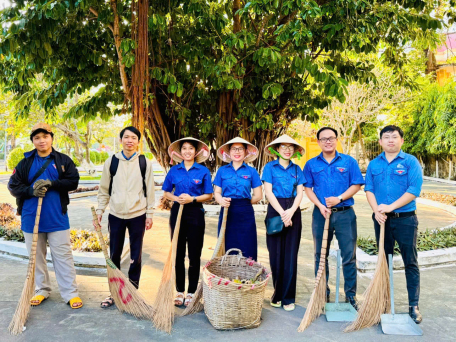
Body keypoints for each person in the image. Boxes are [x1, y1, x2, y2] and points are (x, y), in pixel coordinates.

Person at [8, 123, 82, 309]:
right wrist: (31, 190)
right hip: (31, 217)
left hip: (57, 217)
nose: (41, 141)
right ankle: (42, 290)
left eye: (45, 136)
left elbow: (73, 181)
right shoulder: (25, 163)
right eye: (37, 138)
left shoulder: (63, 160)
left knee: (63, 256)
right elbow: (13, 186)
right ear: (33, 141)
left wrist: (52, 183)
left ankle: (70, 293)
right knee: (36, 257)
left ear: (51, 138)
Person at [365, 125, 423, 324]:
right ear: (380, 142)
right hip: (381, 219)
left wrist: (389, 207)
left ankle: (413, 306)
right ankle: (383, 303)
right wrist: (377, 211)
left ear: (401, 141)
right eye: (386, 137)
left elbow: (414, 190)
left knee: (410, 262)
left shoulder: (410, 162)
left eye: (394, 137)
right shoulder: (374, 164)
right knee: (384, 261)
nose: (391, 140)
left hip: (406, 219)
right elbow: (369, 189)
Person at [303, 127, 364, 310]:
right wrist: (320, 205)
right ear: (319, 142)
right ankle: (323, 293)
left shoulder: (349, 161)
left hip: (345, 213)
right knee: (320, 256)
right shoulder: (311, 164)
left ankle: (351, 296)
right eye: (323, 139)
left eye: (331, 138)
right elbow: (307, 188)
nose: (327, 141)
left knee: (349, 256)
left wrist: (339, 198)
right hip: (321, 215)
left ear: (337, 140)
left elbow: (357, 184)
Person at [95, 126, 155, 308]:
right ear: (121, 140)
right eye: (126, 137)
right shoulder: (111, 162)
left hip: (138, 214)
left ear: (138, 142)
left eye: (133, 138)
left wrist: (149, 214)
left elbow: (150, 191)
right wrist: (100, 211)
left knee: (135, 255)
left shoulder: (145, 162)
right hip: (115, 215)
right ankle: (114, 292)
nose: (130, 140)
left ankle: (132, 293)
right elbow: (104, 189)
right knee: (114, 255)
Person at [162, 137, 213, 307]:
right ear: (180, 152)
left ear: (196, 152)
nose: (187, 151)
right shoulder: (174, 171)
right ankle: (179, 291)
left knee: (194, 254)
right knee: (178, 254)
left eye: (191, 148)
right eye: (184, 148)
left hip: (196, 213)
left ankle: (191, 292)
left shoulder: (203, 171)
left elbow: (209, 195)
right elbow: (166, 192)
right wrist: (177, 198)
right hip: (177, 212)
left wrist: (192, 199)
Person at [261, 135, 306, 312]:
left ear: (294, 151)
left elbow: (301, 193)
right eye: (283, 147)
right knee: (275, 254)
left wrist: (291, 212)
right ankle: (277, 294)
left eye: (291, 147)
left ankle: (288, 297)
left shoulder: (297, 169)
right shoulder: (269, 168)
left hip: (293, 210)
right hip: (275, 210)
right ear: (276, 149)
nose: (287, 149)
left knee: (290, 254)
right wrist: (282, 213)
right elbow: (268, 192)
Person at [213, 137, 263, 261]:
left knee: (247, 244)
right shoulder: (222, 171)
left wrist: (244, 203)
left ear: (246, 152)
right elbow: (217, 192)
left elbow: (258, 195)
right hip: (226, 211)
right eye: (234, 149)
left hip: (246, 212)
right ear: (229, 152)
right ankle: (227, 277)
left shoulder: (252, 171)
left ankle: (247, 276)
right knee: (226, 243)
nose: (237, 152)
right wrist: (221, 201)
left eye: (240, 149)